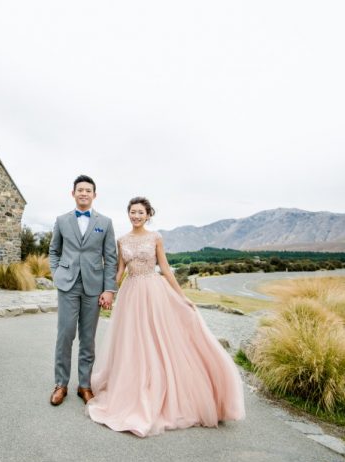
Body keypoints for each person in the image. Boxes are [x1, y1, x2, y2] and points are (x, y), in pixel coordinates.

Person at [86, 197, 245, 436]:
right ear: (128, 214)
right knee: (133, 342)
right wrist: (108, 291)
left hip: (154, 292)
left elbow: (166, 269)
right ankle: (135, 385)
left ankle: (157, 387)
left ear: (148, 215)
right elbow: (120, 271)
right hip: (131, 294)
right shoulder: (122, 240)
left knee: (156, 339)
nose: (136, 216)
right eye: (132, 212)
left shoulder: (155, 238)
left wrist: (182, 297)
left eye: (140, 212)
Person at [48, 175, 118, 406]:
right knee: (65, 335)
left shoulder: (105, 222)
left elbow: (110, 257)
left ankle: (84, 385)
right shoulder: (61, 220)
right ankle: (61, 384)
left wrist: (109, 289)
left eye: (88, 190)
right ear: (73, 193)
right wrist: (57, 274)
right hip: (67, 285)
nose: (84, 193)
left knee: (88, 338)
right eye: (80, 190)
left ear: (94, 195)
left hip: (93, 286)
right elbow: (54, 251)